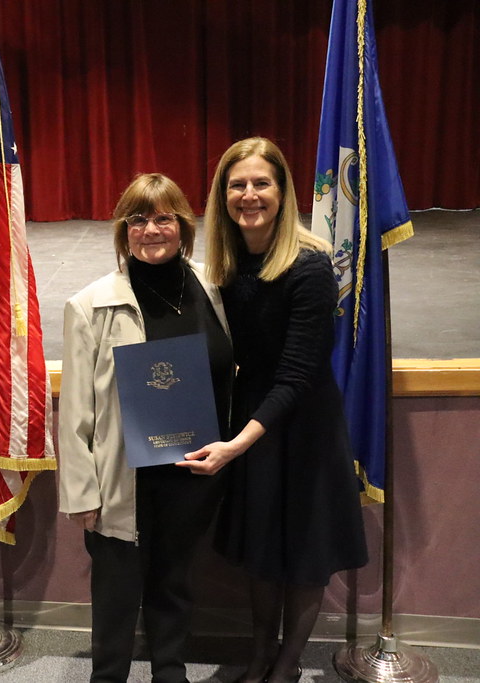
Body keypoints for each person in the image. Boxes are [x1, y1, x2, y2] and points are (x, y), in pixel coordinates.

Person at [179, 137, 369, 683]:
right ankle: (260, 653)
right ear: (222, 195)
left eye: (261, 183)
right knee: (261, 546)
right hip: (253, 414)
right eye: (237, 184)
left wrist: (237, 444)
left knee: (305, 553)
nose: (249, 195)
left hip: (303, 424)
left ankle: (286, 667)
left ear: (282, 192)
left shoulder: (310, 266)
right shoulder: (227, 261)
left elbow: (297, 375)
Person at [59, 173, 234, 683]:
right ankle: (108, 676)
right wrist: (81, 492)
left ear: (184, 226)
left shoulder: (214, 288)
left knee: (174, 585)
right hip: (122, 480)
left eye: (163, 218)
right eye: (138, 220)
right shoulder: (90, 305)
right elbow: (75, 412)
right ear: (123, 230)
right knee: (115, 596)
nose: (151, 230)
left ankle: (170, 672)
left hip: (192, 473)